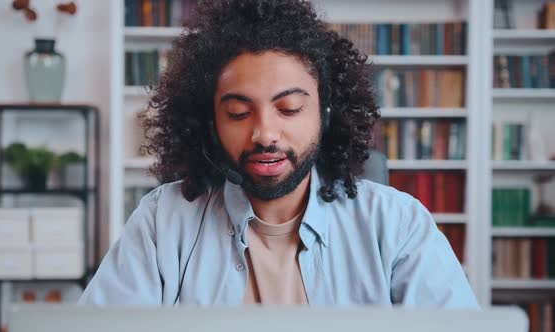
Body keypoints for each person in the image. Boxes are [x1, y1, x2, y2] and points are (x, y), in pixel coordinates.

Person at [79, 0, 478, 307]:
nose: (264, 133)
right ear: (210, 121)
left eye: (289, 109)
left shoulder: (397, 224)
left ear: (324, 114)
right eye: (238, 112)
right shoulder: (161, 222)